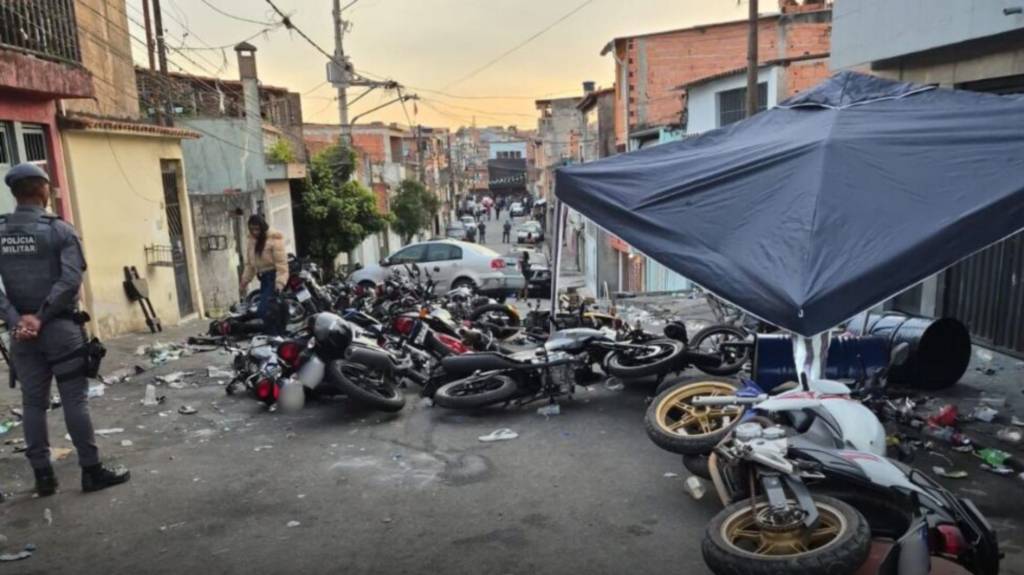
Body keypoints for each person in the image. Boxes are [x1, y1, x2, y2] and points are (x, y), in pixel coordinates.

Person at [0, 163, 130, 496]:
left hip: (22, 338)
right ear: (43, 190)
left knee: (32, 403)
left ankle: (43, 477)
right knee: (75, 399)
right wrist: (41, 317)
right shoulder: (60, 230)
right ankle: (91, 471)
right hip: (59, 329)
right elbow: (70, 280)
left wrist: (17, 320)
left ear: (15, 193)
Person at [239, 215, 288, 334]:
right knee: (274, 309)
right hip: (264, 278)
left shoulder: (274, 239)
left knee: (265, 310)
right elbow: (250, 264)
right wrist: (244, 281)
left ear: (263, 227)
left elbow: (282, 265)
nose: (255, 232)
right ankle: (277, 334)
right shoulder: (251, 241)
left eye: (257, 229)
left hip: (273, 277)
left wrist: (280, 283)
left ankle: (274, 335)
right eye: (252, 229)